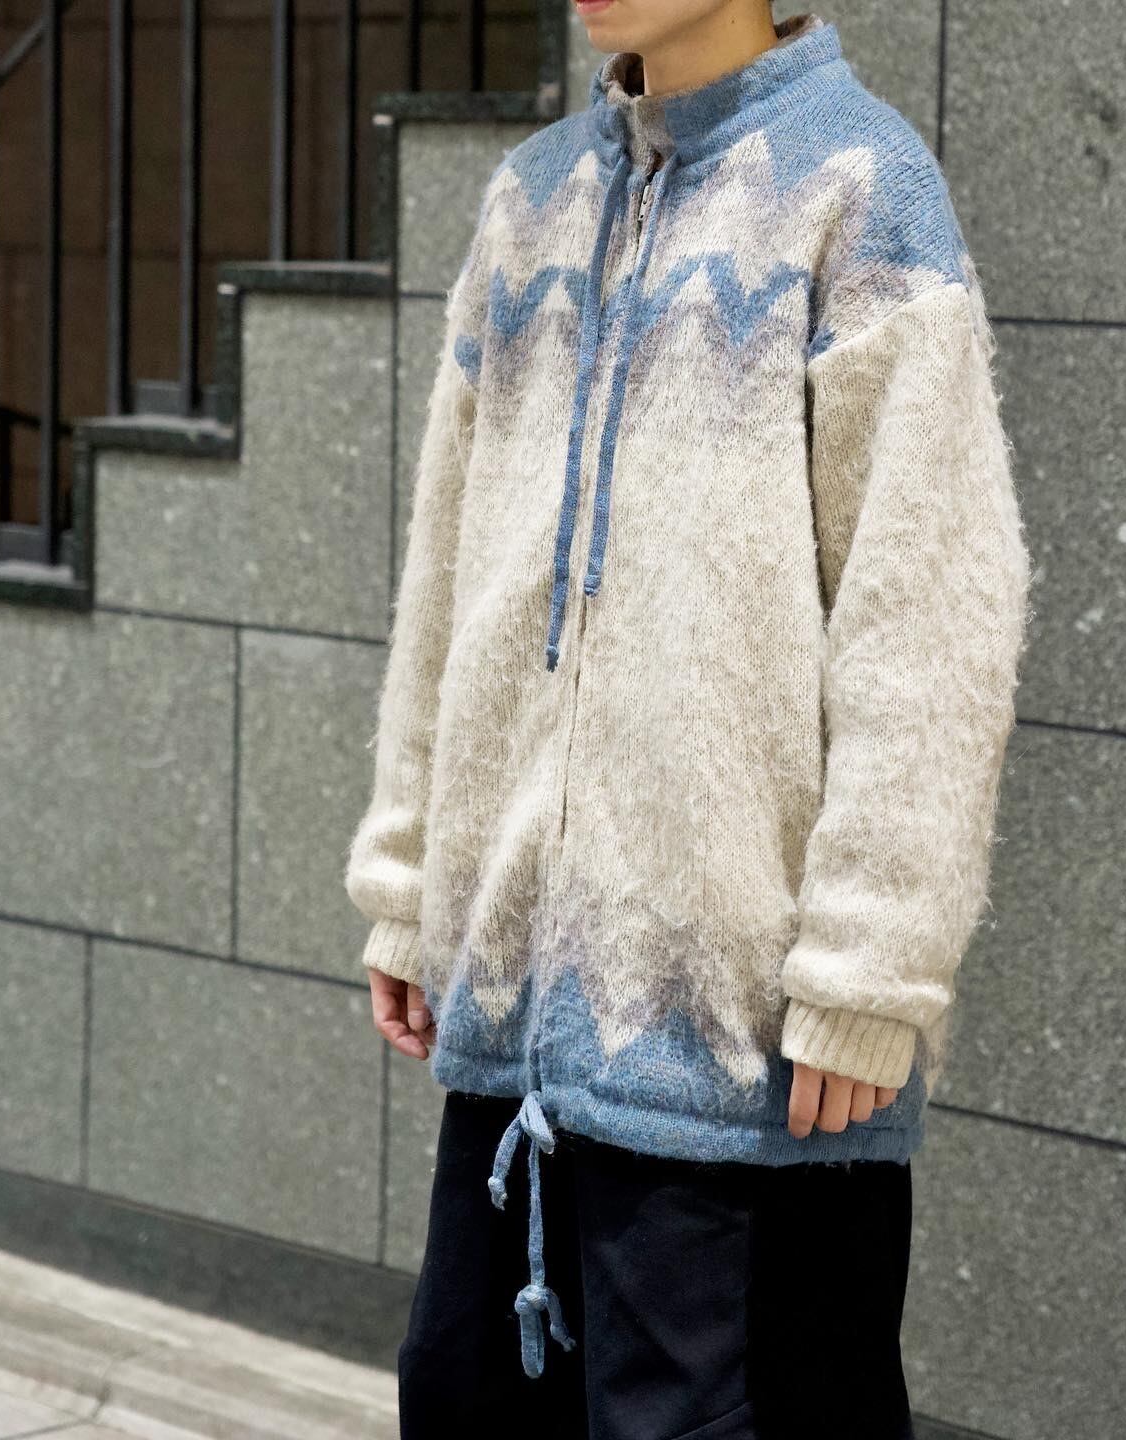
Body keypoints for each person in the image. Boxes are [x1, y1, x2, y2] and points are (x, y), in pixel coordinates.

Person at [344, 3, 1032, 1436]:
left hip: (755, 1062)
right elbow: (448, 570)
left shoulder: (862, 191)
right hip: (517, 1027)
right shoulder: (532, 199)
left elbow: (930, 618)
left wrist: (872, 968)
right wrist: (409, 883)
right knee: (462, 1397)